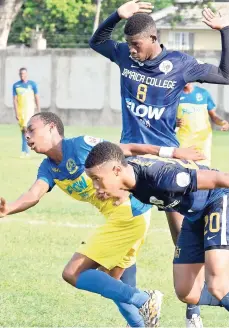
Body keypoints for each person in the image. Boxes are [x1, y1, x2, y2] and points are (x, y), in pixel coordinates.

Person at [89, 2, 229, 325]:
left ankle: (192, 308)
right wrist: (117, 15)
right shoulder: (124, 56)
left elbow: (225, 74)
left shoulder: (179, 65)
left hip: (167, 166)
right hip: (129, 164)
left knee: (181, 235)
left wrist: (224, 30)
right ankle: (138, 310)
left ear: (154, 38)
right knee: (126, 234)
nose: (132, 51)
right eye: (129, 46)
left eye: (136, 45)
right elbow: (96, 42)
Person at [0, 112, 203, 327]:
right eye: (25, 132)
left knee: (73, 273)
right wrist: (9, 208)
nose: (27, 136)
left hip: (128, 213)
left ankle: (146, 299)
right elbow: (34, 194)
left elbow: (127, 149)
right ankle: (143, 321)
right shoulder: (48, 167)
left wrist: (173, 152)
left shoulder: (80, 146)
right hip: (126, 218)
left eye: (32, 129)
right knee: (114, 284)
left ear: (51, 128)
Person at [84, 141, 229, 317]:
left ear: (116, 171)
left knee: (216, 285)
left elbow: (219, 179)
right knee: (187, 292)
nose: (95, 187)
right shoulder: (128, 177)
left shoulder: (162, 178)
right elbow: (122, 148)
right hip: (193, 216)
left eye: (97, 179)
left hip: (216, 201)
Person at [177, 83, 229, 166]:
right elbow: (168, 116)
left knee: (203, 168)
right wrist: (175, 122)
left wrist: (222, 122)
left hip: (203, 139)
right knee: (183, 168)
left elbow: (213, 116)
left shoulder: (204, 93)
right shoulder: (175, 94)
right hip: (184, 139)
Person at [13, 67, 40, 158]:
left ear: (27, 74)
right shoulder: (16, 85)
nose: (22, 75)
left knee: (26, 131)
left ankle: (25, 151)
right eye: (21, 74)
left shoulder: (32, 84)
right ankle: (25, 150)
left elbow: (37, 97)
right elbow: (15, 100)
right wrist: (16, 112)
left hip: (30, 112)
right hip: (21, 113)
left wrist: (39, 109)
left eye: (24, 74)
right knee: (23, 132)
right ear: (19, 75)